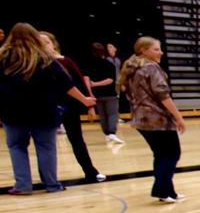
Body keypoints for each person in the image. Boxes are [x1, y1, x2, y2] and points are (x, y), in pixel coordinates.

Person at [1, 23, 94, 195]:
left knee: (16, 146)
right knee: (46, 147)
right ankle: (52, 185)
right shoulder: (45, 58)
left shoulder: (3, 57)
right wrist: (85, 100)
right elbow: (66, 84)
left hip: (12, 112)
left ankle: (23, 185)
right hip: (44, 110)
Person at [120, 36, 187, 202]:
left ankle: (168, 191)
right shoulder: (150, 67)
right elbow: (163, 95)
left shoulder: (131, 67)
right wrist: (179, 117)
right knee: (172, 154)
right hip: (157, 119)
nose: (161, 52)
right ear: (144, 50)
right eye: (156, 49)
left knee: (161, 155)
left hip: (140, 119)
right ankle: (161, 190)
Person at [39, 32, 105, 183]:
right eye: (39, 42)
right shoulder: (36, 64)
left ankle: (90, 171)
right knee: (45, 143)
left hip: (69, 106)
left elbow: (79, 82)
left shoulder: (66, 62)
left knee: (76, 140)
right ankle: (48, 178)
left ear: (53, 44)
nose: (44, 45)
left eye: (46, 42)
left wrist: (89, 105)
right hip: (47, 107)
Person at [83, 42, 122, 143]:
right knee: (112, 114)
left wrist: (90, 93)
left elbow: (86, 80)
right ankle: (112, 133)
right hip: (110, 93)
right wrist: (96, 84)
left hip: (96, 94)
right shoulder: (109, 64)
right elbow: (110, 80)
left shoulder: (88, 64)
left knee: (102, 115)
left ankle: (107, 134)